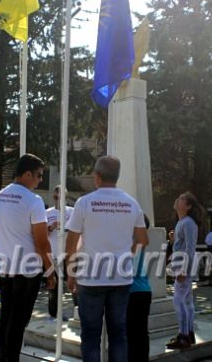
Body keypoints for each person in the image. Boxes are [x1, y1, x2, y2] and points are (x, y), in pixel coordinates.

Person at [65, 155, 148, 362]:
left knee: (90, 336)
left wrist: (70, 273)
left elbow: (71, 242)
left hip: (90, 277)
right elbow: (142, 240)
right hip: (121, 277)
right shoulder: (131, 203)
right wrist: (126, 255)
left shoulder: (84, 203)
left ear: (97, 176)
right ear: (117, 177)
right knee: (118, 335)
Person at [0, 153, 55, 362]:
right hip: (26, 270)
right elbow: (42, 242)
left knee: (6, 316)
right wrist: (51, 271)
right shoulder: (33, 200)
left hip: (4, 267)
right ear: (27, 174)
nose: (40, 180)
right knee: (18, 322)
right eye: (38, 175)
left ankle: (4, 357)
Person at [166, 192, 200, 350]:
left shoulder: (187, 223)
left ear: (188, 206)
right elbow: (183, 245)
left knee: (178, 300)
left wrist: (184, 269)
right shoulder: (183, 223)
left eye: (181, 199)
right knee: (187, 301)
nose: (177, 200)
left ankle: (184, 335)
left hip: (183, 268)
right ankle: (189, 333)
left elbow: (190, 248)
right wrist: (174, 241)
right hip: (181, 266)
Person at [45, 185, 74, 319]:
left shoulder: (72, 212)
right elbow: (41, 235)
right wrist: (51, 227)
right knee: (54, 286)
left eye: (62, 195)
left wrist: (65, 228)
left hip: (70, 256)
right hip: (53, 255)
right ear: (53, 196)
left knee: (74, 284)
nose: (59, 198)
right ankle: (53, 314)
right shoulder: (47, 213)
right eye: (57, 195)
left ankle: (77, 312)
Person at [127, 214, 152, 362]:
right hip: (142, 291)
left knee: (133, 333)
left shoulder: (135, 242)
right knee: (140, 333)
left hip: (134, 292)